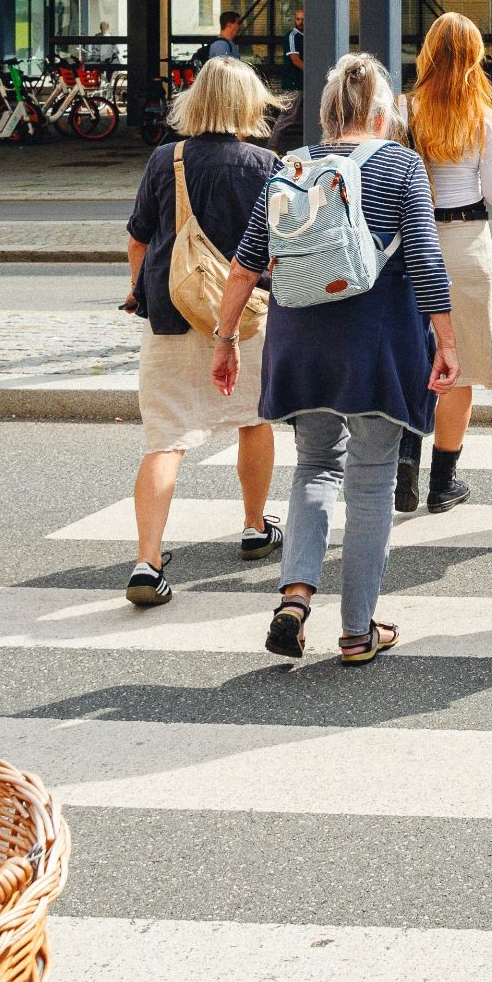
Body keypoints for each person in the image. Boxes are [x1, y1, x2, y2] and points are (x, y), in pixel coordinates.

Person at [214, 52, 458, 666]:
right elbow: (426, 260)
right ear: (383, 115)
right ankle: (357, 630)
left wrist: (224, 341)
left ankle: (294, 598)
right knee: (372, 480)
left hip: (300, 345)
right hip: (377, 346)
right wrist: (447, 343)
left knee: (314, 466)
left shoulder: (289, 169)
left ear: (325, 116)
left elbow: (245, 265)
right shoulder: (401, 165)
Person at [121, 57, 285, 607]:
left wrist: (136, 290)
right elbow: (281, 247)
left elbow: (139, 238)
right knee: (253, 419)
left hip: (172, 312)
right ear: (249, 103)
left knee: (164, 440)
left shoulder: (164, 159)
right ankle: (254, 526)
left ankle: (147, 560)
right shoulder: (266, 163)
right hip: (244, 317)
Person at [401, 12, 492, 514]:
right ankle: (443, 483)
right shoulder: (483, 117)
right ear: (475, 57)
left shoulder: (407, 110)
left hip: (415, 243)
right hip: (466, 242)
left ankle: (405, 464)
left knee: (413, 359)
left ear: (428, 52)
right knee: (459, 365)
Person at [269, 9, 307, 153]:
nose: (301, 22)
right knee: (287, 116)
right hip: (293, 83)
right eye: (298, 19)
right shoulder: (292, 36)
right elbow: (295, 60)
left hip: (303, 83)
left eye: (303, 19)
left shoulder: (307, 36)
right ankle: (271, 147)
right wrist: (312, 73)